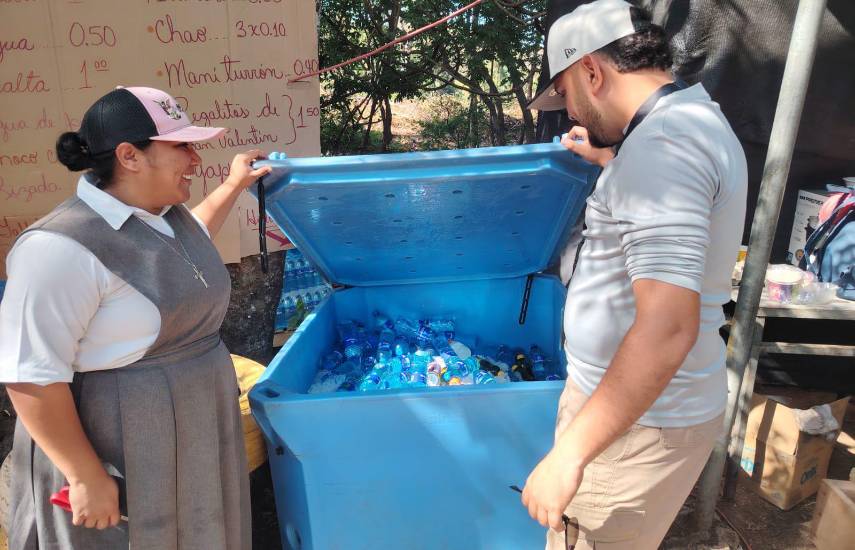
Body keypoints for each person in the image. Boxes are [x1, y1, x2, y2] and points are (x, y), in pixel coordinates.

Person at [1, 86, 272, 549]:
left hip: (192, 431)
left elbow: (186, 246)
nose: (194, 159)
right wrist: (85, 475)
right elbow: (30, 374)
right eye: (181, 146)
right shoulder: (58, 248)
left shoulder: (163, 216)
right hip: (120, 445)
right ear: (129, 156)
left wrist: (233, 186)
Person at [522, 1, 747, 548]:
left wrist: (569, 455)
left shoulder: (664, 149)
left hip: (633, 430)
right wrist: (610, 165)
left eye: (566, 94)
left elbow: (667, 329)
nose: (571, 113)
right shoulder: (684, 125)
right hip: (644, 415)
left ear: (592, 71)